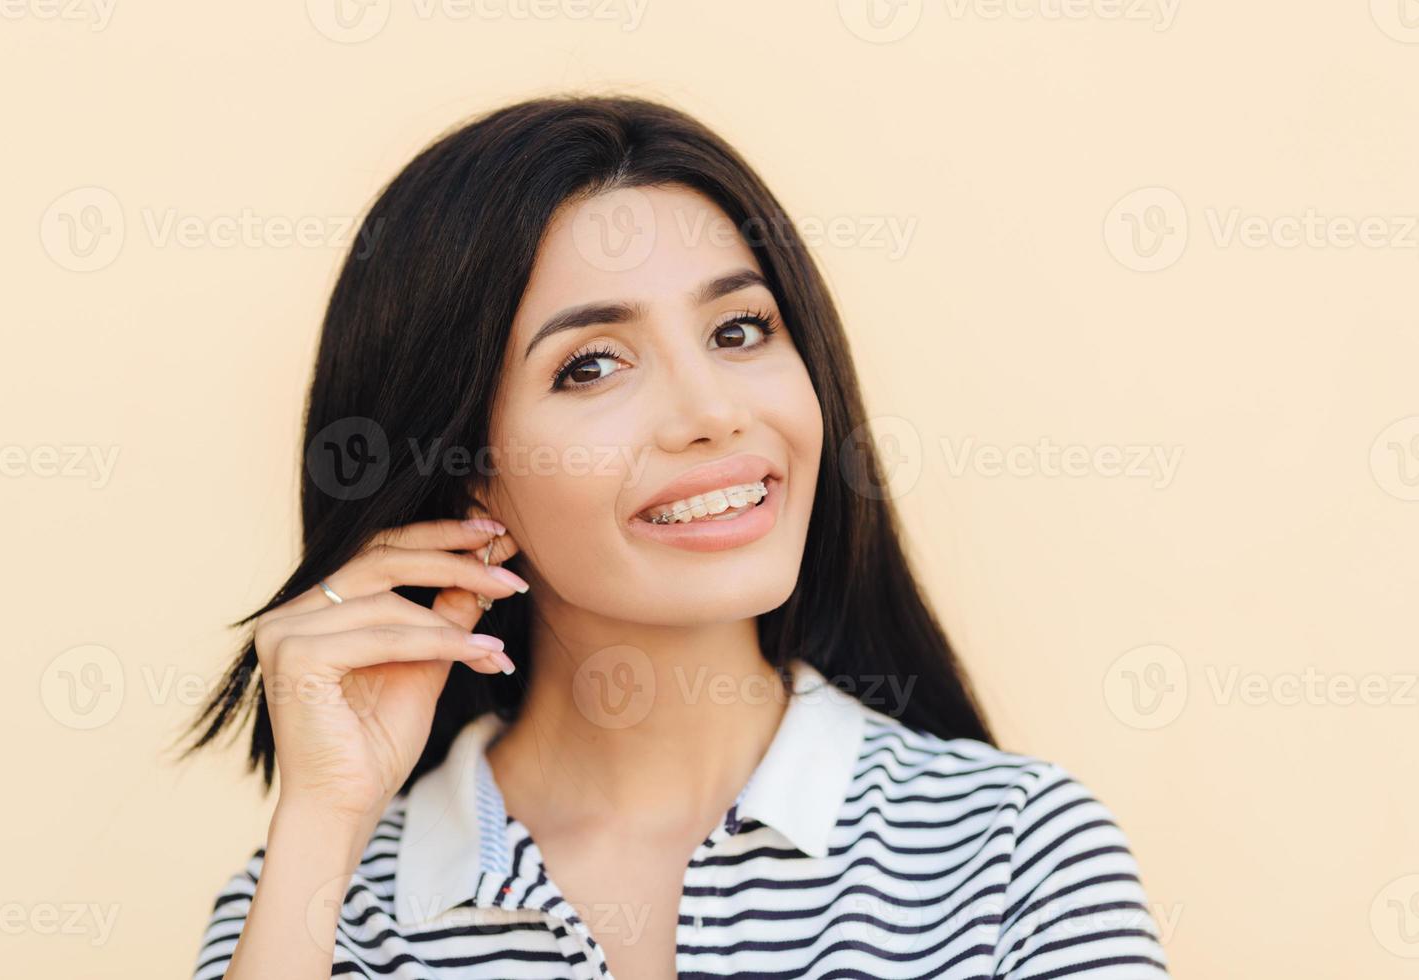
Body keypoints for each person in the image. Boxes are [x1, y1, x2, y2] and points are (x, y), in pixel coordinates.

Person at [180, 94, 1170, 979]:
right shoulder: (315, 906)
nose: (711, 410)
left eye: (739, 330)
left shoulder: (1012, 853)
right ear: (468, 468)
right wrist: (324, 820)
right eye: (593, 364)